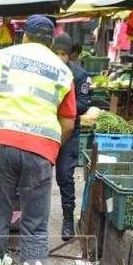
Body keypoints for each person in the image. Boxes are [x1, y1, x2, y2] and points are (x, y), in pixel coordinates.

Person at [0, 15, 76, 263]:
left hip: (2, 144)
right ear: (51, 41)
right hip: (40, 150)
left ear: (24, 35)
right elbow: (69, 123)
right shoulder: (63, 72)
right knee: (35, 226)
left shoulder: (4, 57)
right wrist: (51, 148)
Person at [52, 33, 91, 240]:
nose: (59, 58)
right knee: (34, 176)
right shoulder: (46, 71)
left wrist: (62, 108)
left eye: (63, 54)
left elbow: (84, 103)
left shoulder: (79, 74)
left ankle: (68, 219)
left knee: (65, 176)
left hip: (69, 131)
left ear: (70, 55)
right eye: (56, 53)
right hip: (46, 129)